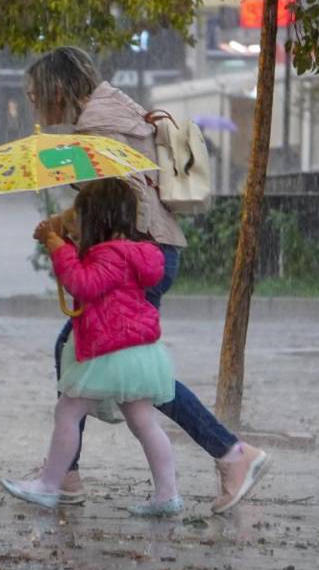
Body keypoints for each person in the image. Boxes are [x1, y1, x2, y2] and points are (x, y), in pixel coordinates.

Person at [25, 46, 270, 514]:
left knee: (135, 372)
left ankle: (231, 453)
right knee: (116, 364)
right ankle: (67, 473)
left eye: (38, 95)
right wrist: (66, 222)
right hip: (152, 251)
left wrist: (61, 230)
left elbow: (118, 203)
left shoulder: (98, 126)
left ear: (60, 89)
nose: (36, 104)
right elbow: (123, 196)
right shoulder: (117, 110)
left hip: (138, 259)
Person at [1, 179, 182, 516]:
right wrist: (60, 236)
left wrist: (57, 246)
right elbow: (93, 271)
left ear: (97, 220)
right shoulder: (133, 252)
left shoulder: (110, 254)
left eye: (81, 217)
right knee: (143, 421)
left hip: (110, 351)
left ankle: (49, 485)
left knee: (67, 412)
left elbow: (83, 283)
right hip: (140, 350)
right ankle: (167, 494)